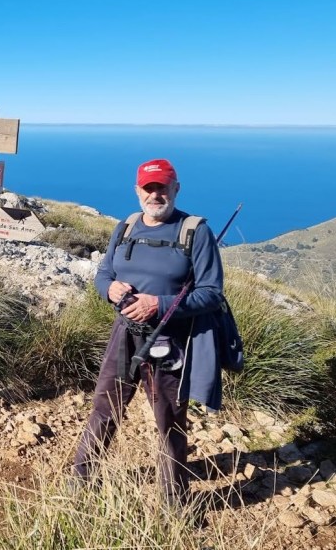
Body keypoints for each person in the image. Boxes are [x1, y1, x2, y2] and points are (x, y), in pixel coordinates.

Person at [70, 158, 226, 506]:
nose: (155, 195)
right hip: (124, 333)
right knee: (105, 407)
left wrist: (159, 303)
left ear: (176, 189)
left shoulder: (195, 231)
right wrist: (108, 289)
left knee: (168, 417)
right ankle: (81, 481)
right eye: (148, 188)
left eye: (163, 187)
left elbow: (212, 294)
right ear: (138, 190)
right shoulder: (125, 227)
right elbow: (103, 273)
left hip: (172, 340)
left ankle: (173, 501)